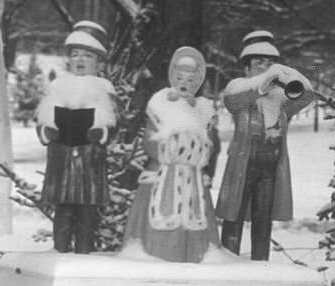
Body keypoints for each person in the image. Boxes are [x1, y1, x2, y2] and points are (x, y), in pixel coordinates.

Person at [216, 30, 314, 261]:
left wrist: (288, 75)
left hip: (269, 168)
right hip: (243, 164)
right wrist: (262, 82)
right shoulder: (239, 88)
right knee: (234, 216)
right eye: (259, 63)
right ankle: (228, 260)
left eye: (270, 63)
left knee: (263, 217)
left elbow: (306, 94)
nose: (265, 68)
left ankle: (261, 262)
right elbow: (233, 99)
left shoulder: (280, 99)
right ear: (247, 67)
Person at [122, 47, 221, 262]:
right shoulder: (160, 104)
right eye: (180, 77)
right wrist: (175, 149)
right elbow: (150, 141)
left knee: (198, 229)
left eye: (191, 78)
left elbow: (211, 145)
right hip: (162, 176)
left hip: (193, 182)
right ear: (172, 76)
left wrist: (197, 151)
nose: (185, 83)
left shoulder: (203, 109)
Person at [36, 20, 117, 253]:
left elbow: (111, 121)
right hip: (62, 161)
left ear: (99, 62)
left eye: (88, 56)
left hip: (89, 163)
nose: (80, 60)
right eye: (76, 55)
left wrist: (100, 132)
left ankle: (84, 252)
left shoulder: (103, 88)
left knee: (86, 215)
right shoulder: (58, 86)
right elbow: (43, 117)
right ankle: (59, 250)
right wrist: (47, 130)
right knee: (63, 211)